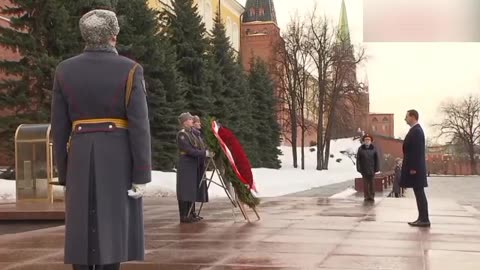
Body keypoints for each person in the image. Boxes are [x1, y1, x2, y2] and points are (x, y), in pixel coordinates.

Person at [51, 9, 151, 270]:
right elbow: (139, 126)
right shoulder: (131, 70)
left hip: (80, 153)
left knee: (80, 229)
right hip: (117, 155)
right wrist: (141, 174)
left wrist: (64, 172)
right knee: (112, 230)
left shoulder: (64, 70)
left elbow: (59, 127)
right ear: (113, 36)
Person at [176, 112, 212, 223]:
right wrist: (204, 154)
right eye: (190, 119)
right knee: (185, 190)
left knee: (192, 190)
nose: (192, 121)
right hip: (186, 165)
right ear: (185, 121)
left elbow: (198, 146)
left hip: (193, 164)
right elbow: (189, 150)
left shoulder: (192, 133)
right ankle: (184, 215)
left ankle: (191, 213)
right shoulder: (182, 135)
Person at [399, 109, 430, 227]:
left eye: (406, 116)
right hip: (415, 167)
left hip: (415, 168)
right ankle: (422, 217)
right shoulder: (415, 130)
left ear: (413, 117)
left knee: (419, 193)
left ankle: (424, 219)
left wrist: (413, 168)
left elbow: (416, 152)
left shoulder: (416, 131)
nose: (405, 119)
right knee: (418, 193)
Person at [191, 115, 209, 219]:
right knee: (193, 189)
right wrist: (204, 153)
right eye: (198, 122)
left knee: (196, 189)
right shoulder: (192, 135)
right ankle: (190, 212)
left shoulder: (198, 135)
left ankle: (193, 212)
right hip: (195, 164)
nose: (200, 124)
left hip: (200, 164)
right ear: (193, 123)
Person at [356, 134, 380, 202]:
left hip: (372, 169)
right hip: (364, 169)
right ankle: (366, 196)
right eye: (366, 139)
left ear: (371, 141)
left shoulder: (374, 148)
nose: (367, 141)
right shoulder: (360, 149)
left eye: (368, 139)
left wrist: (377, 168)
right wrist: (359, 168)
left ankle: (372, 196)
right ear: (363, 141)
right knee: (365, 184)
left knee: (372, 184)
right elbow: (358, 160)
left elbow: (376, 159)